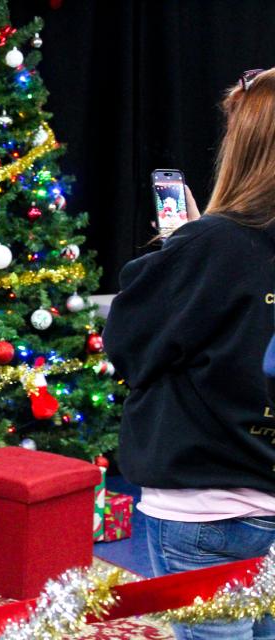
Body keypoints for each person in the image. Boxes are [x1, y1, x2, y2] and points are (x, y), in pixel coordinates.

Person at [104, 68, 275, 639]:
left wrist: (182, 249)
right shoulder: (214, 246)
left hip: (206, 513)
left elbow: (130, 346)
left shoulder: (207, 245)